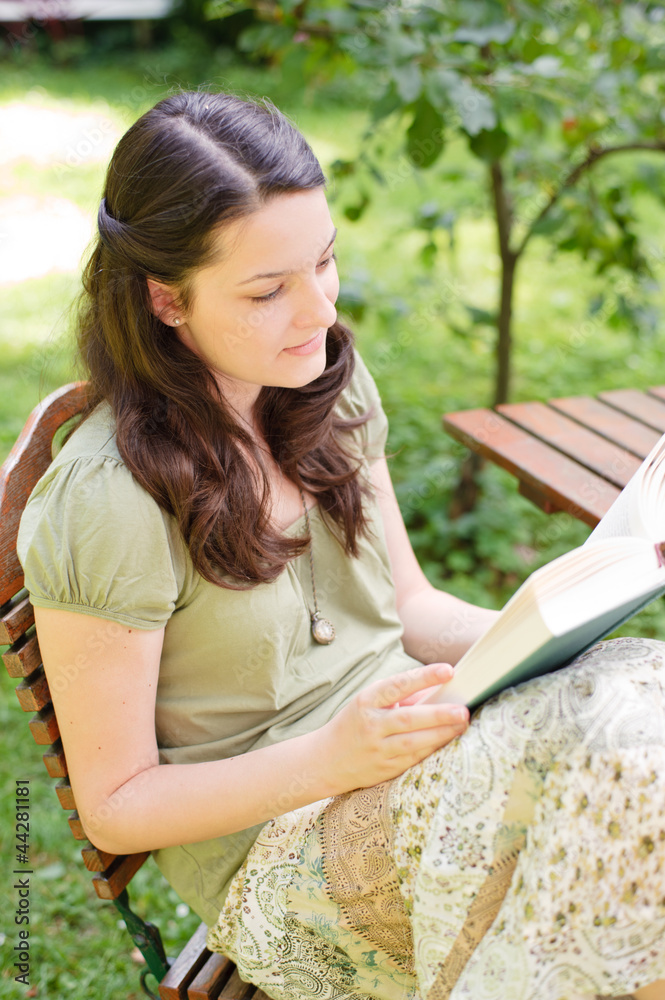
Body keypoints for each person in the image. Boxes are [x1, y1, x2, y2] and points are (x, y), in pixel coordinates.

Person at [17, 90, 665, 1000]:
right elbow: (119, 807)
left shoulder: (323, 382)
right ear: (166, 299)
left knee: (643, 717)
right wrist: (334, 760)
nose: (317, 308)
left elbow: (408, 607)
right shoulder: (109, 502)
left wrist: (559, 626)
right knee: (623, 810)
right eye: (266, 289)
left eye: (323, 262)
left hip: (414, 740)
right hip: (280, 849)